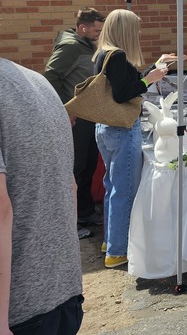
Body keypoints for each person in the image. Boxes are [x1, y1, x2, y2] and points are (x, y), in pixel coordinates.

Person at [0, 57, 84, 335]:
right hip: (65, 293)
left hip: (18, 310)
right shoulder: (39, 82)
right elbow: (70, 186)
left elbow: (2, 209)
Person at [92, 9, 176, 269]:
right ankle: (118, 250)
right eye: (136, 29)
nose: (139, 34)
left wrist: (154, 68)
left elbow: (126, 84)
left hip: (106, 127)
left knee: (113, 187)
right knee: (124, 191)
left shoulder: (104, 53)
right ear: (126, 30)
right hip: (121, 127)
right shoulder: (116, 55)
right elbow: (124, 93)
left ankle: (110, 241)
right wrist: (149, 79)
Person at [43, 7, 105, 236]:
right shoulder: (69, 47)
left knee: (88, 166)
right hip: (75, 119)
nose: (99, 33)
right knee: (75, 169)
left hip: (89, 117)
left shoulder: (87, 44)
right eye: (96, 30)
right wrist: (64, 109)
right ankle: (70, 224)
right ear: (82, 28)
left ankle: (86, 212)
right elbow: (50, 77)